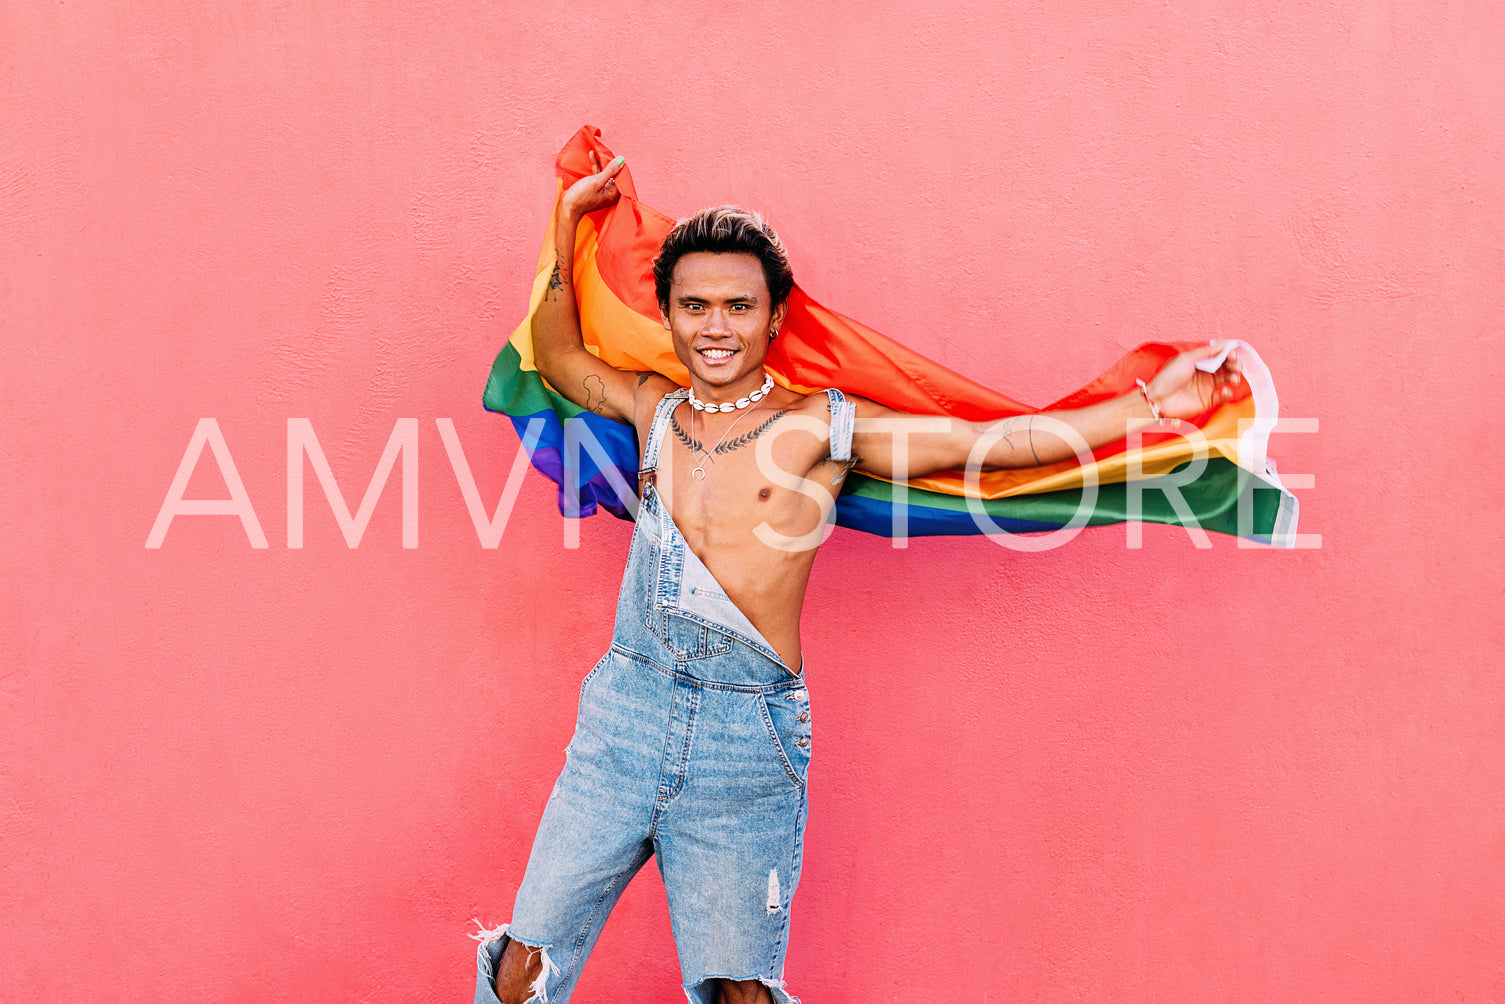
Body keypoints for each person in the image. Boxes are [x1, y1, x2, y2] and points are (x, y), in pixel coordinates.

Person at [474, 152, 1243, 1004]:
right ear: (668, 314)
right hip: (624, 714)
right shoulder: (652, 407)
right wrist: (566, 223)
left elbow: (994, 446)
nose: (715, 326)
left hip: (747, 735)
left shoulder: (819, 427)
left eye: (739, 306)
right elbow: (555, 349)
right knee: (524, 968)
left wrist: (1149, 407)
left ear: (773, 321)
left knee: (741, 994)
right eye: (693, 306)